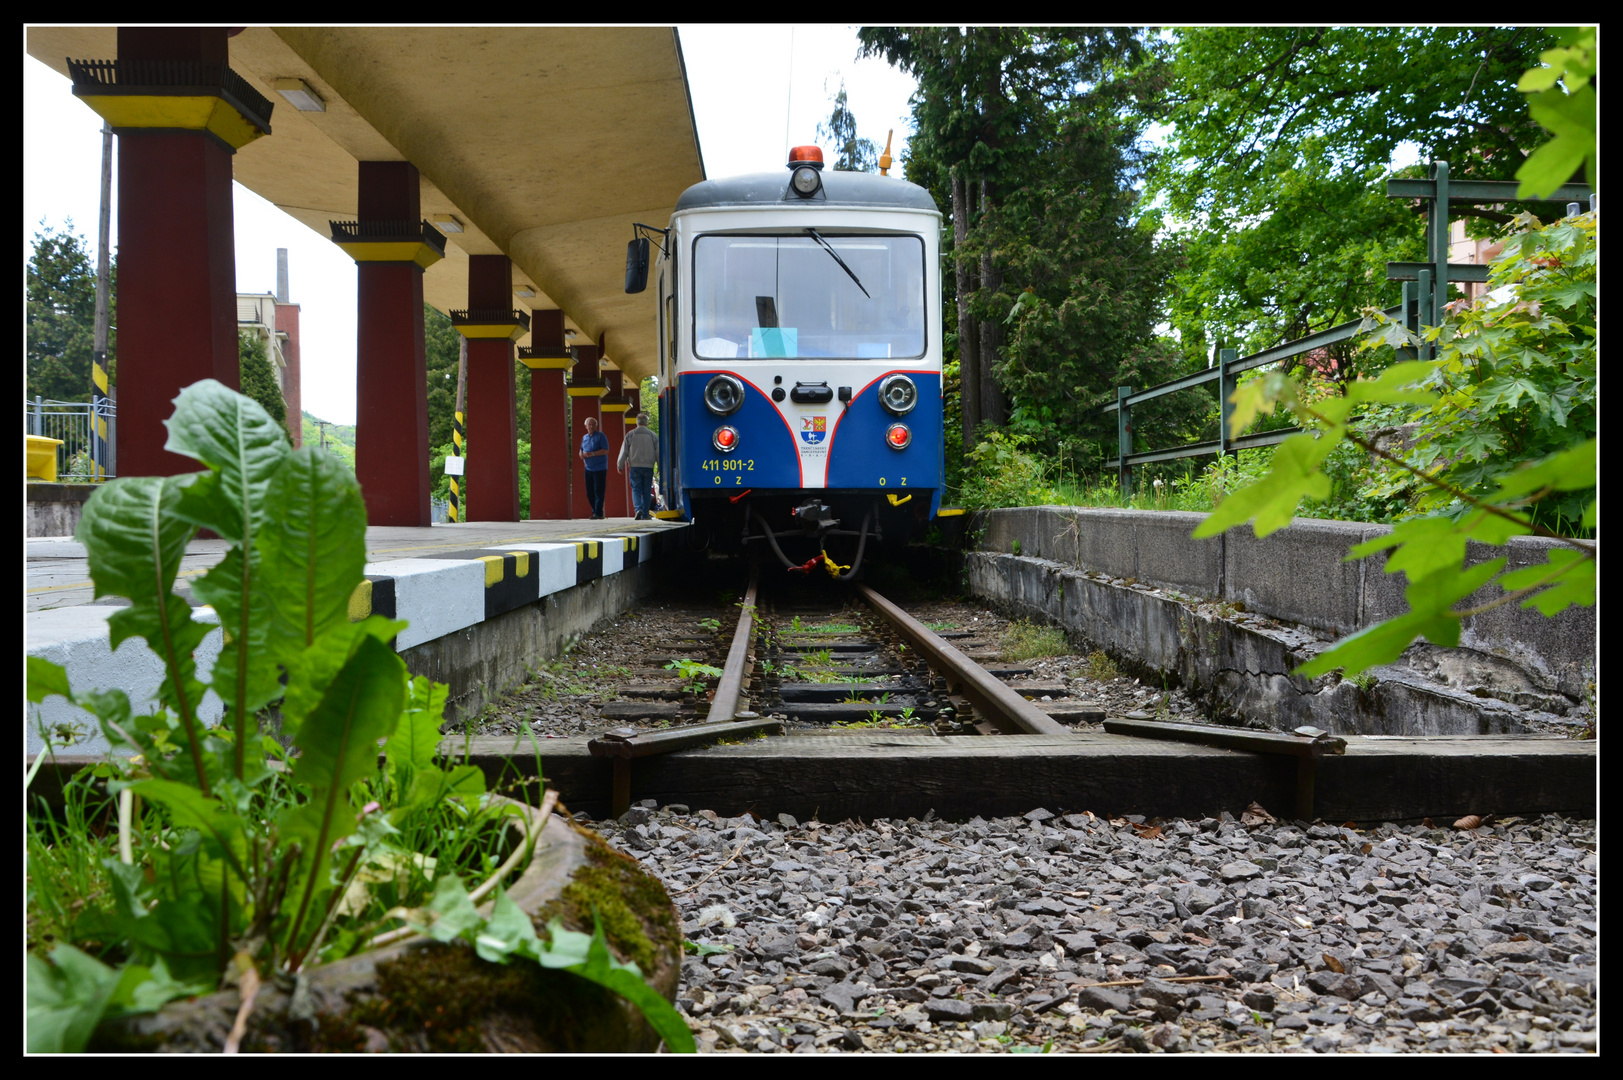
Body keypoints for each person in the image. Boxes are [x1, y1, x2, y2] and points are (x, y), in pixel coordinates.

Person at [617, 415, 660, 519]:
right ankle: (645, 514)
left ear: (637, 422)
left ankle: (638, 509)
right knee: (646, 490)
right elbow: (658, 452)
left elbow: (624, 451)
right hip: (648, 467)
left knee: (636, 489)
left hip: (635, 467)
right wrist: (659, 466)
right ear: (646, 423)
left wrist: (620, 465)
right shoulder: (653, 435)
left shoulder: (630, 435)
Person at [579, 415, 610, 519]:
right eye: (589, 424)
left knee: (599, 490)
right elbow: (581, 449)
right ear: (586, 426)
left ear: (596, 425)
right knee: (589, 492)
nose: (591, 426)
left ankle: (598, 512)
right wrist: (581, 454)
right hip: (588, 468)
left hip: (600, 468)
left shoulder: (601, 436)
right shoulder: (584, 437)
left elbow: (605, 450)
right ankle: (595, 510)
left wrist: (592, 454)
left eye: (593, 424)